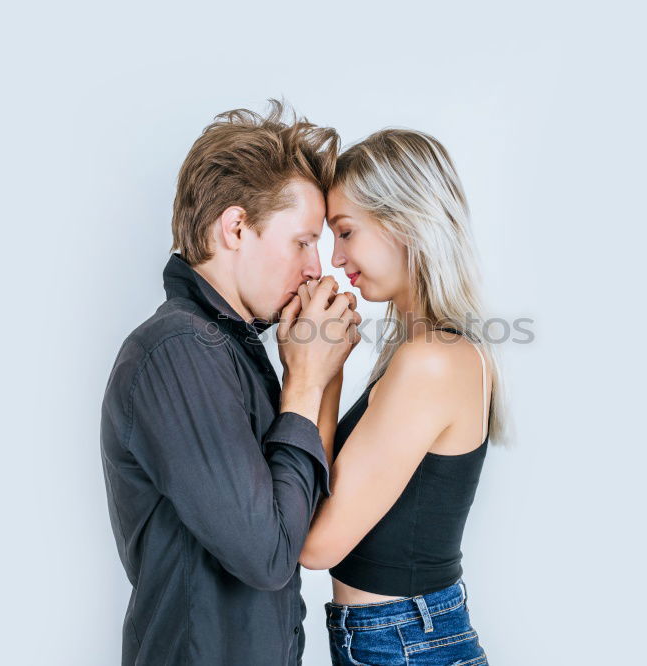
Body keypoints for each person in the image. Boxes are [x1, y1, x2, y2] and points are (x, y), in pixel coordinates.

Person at [100, 100, 362, 665]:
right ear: (236, 227)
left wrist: (320, 374)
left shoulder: (230, 351)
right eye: (302, 241)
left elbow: (298, 528)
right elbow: (267, 556)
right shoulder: (180, 350)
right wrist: (303, 383)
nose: (318, 268)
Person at [298, 129, 507, 665]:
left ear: (404, 222)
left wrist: (314, 375)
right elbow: (319, 501)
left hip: (405, 644)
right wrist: (327, 370)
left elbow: (315, 544)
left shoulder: (431, 361)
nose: (335, 258)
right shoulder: (438, 352)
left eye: (345, 232)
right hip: (401, 638)